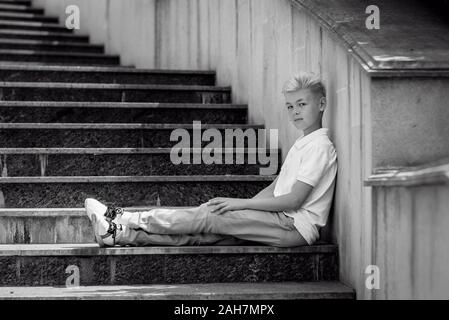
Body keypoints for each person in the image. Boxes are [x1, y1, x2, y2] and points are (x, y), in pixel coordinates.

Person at [85, 71, 337, 248]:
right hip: (280, 221)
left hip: (292, 226)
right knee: (204, 233)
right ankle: (118, 234)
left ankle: (124, 217)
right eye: (290, 106)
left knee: (208, 215)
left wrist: (238, 205)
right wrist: (246, 205)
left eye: (302, 104)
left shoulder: (319, 146)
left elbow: (295, 199)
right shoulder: (303, 143)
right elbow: (276, 188)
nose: (295, 112)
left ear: (322, 103)